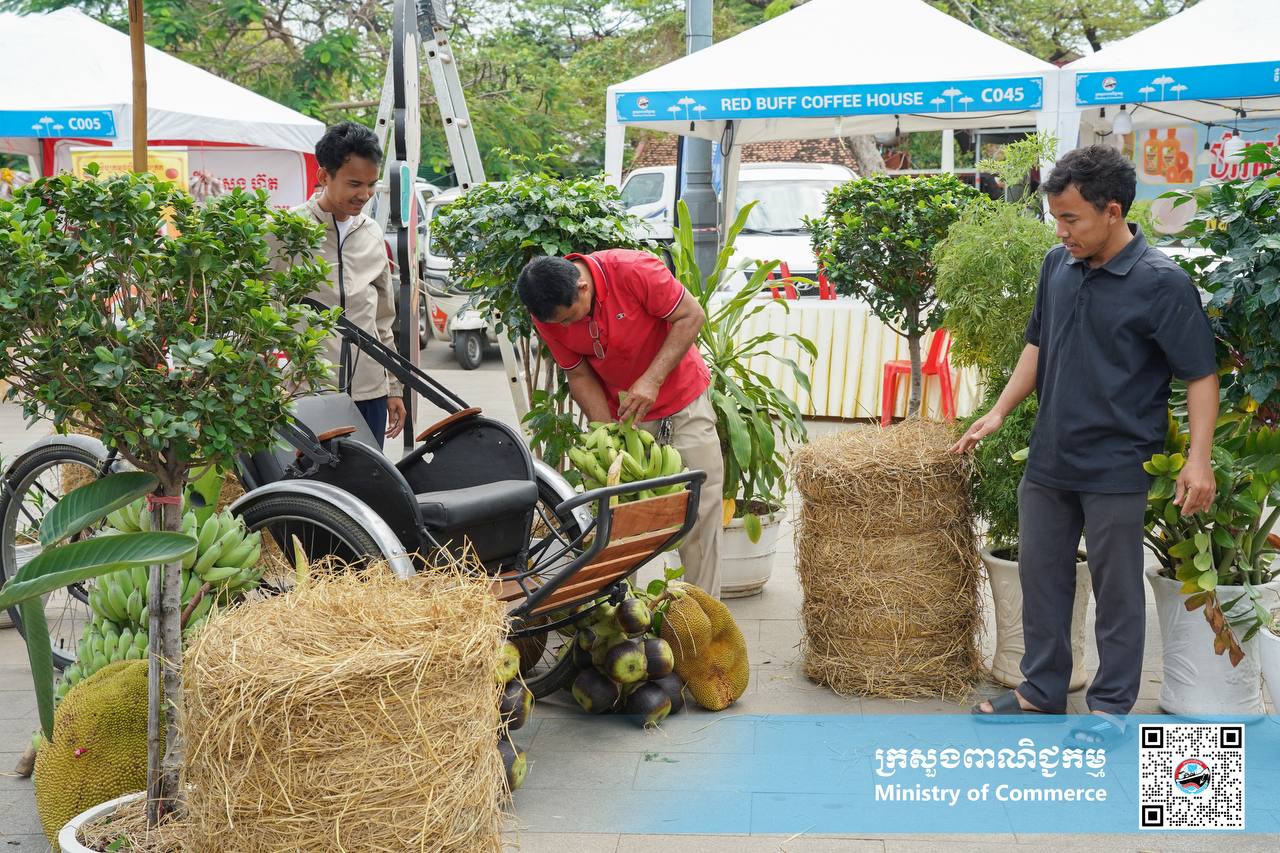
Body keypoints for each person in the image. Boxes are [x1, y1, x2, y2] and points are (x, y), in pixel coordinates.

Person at [953, 145, 1218, 742]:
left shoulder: (1162, 283)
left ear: (1114, 211)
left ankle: (1109, 708)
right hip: (1051, 457)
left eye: (1072, 219)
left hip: (1119, 462)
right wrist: (999, 412)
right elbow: (1037, 346)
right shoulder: (1057, 264)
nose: (1062, 231)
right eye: (1056, 219)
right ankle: (1042, 691)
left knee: (1117, 587)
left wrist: (1198, 460)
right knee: (1042, 577)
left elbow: (1200, 375)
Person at [516, 250, 725, 597]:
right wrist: (609, 432)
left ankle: (704, 621)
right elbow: (578, 373)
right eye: (560, 324)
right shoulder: (548, 314)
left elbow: (691, 315)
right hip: (625, 414)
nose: (566, 328)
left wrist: (653, 379)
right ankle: (626, 616)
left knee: (700, 511)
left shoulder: (634, 271)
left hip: (682, 399)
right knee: (619, 520)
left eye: (570, 319)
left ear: (583, 287)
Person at [295, 121, 404, 447]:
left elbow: (383, 318)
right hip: (311, 391)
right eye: (354, 183)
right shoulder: (289, 232)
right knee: (316, 490)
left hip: (370, 391)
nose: (364, 195)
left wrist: (393, 386)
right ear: (323, 176)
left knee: (369, 487)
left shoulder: (371, 233)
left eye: (371, 184)